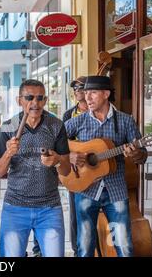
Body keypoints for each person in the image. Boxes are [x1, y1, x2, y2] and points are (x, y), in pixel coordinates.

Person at [65, 75, 147, 257]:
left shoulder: (125, 121)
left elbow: (142, 156)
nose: (87, 97)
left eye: (92, 93)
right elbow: (55, 141)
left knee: (124, 246)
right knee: (84, 247)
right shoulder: (78, 121)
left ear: (106, 94)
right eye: (86, 93)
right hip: (86, 189)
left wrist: (135, 153)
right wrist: (69, 155)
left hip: (115, 190)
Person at [0, 79, 71, 257]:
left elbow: (66, 171)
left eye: (40, 98)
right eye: (29, 97)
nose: (35, 103)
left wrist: (57, 160)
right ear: (19, 100)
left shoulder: (56, 125)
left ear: (45, 100)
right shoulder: (8, 126)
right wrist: (8, 154)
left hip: (49, 207)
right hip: (15, 207)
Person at [61, 76, 88, 257]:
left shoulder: (102, 113)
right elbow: (61, 143)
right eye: (75, 88)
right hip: (76, 170)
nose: (77, 90)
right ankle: (78, 250)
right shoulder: (68, 115)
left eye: (81, 87)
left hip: (96, 166)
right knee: (76, 211)